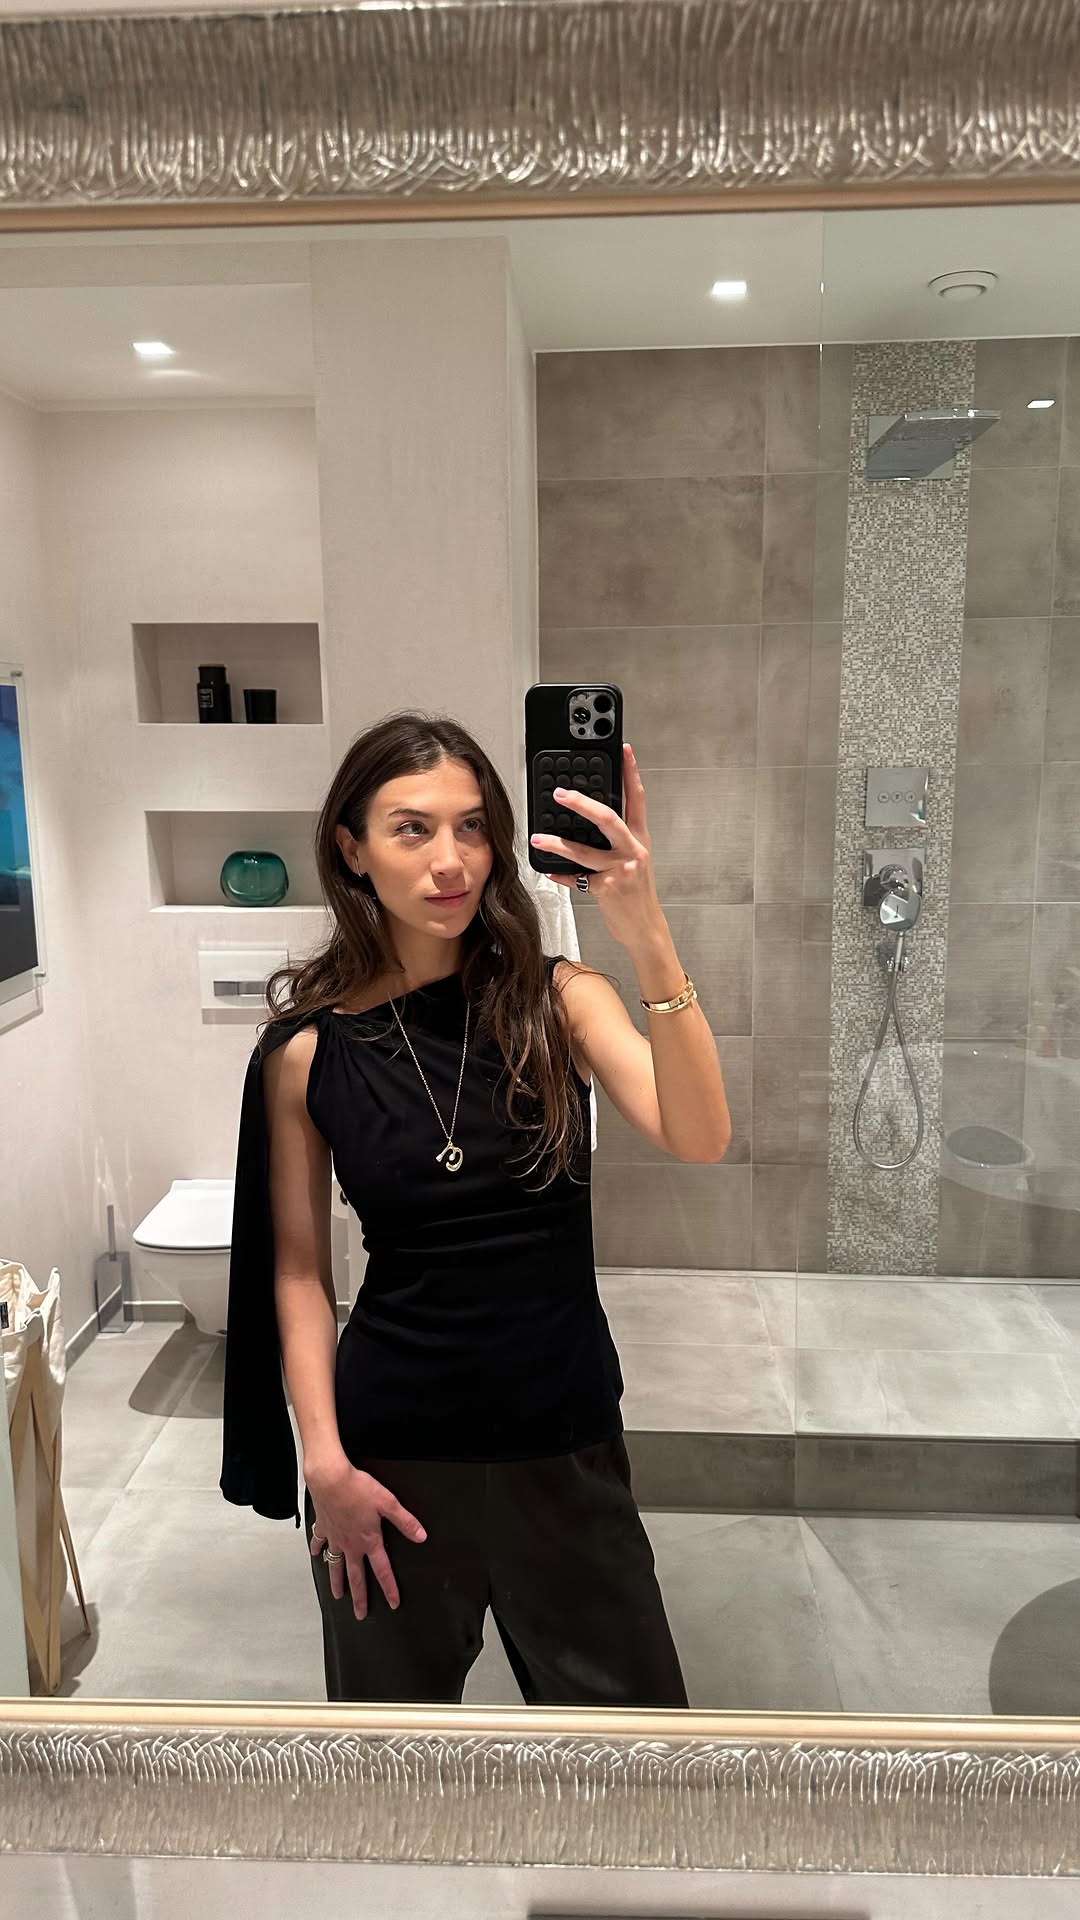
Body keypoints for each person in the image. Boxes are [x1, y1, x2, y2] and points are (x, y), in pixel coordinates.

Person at [220, 708, 730, 1706]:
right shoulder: (307, 1053)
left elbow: (700, 1135)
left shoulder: (561, 1001)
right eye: (411, 829)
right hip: (389, 1459)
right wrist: (324, 1463)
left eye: (472, 827)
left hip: (564, 1440)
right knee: (393, 1763)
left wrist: (647, 932)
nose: (449, 860)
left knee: (634, 1757)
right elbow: (298, 1272)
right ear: (352, 849)